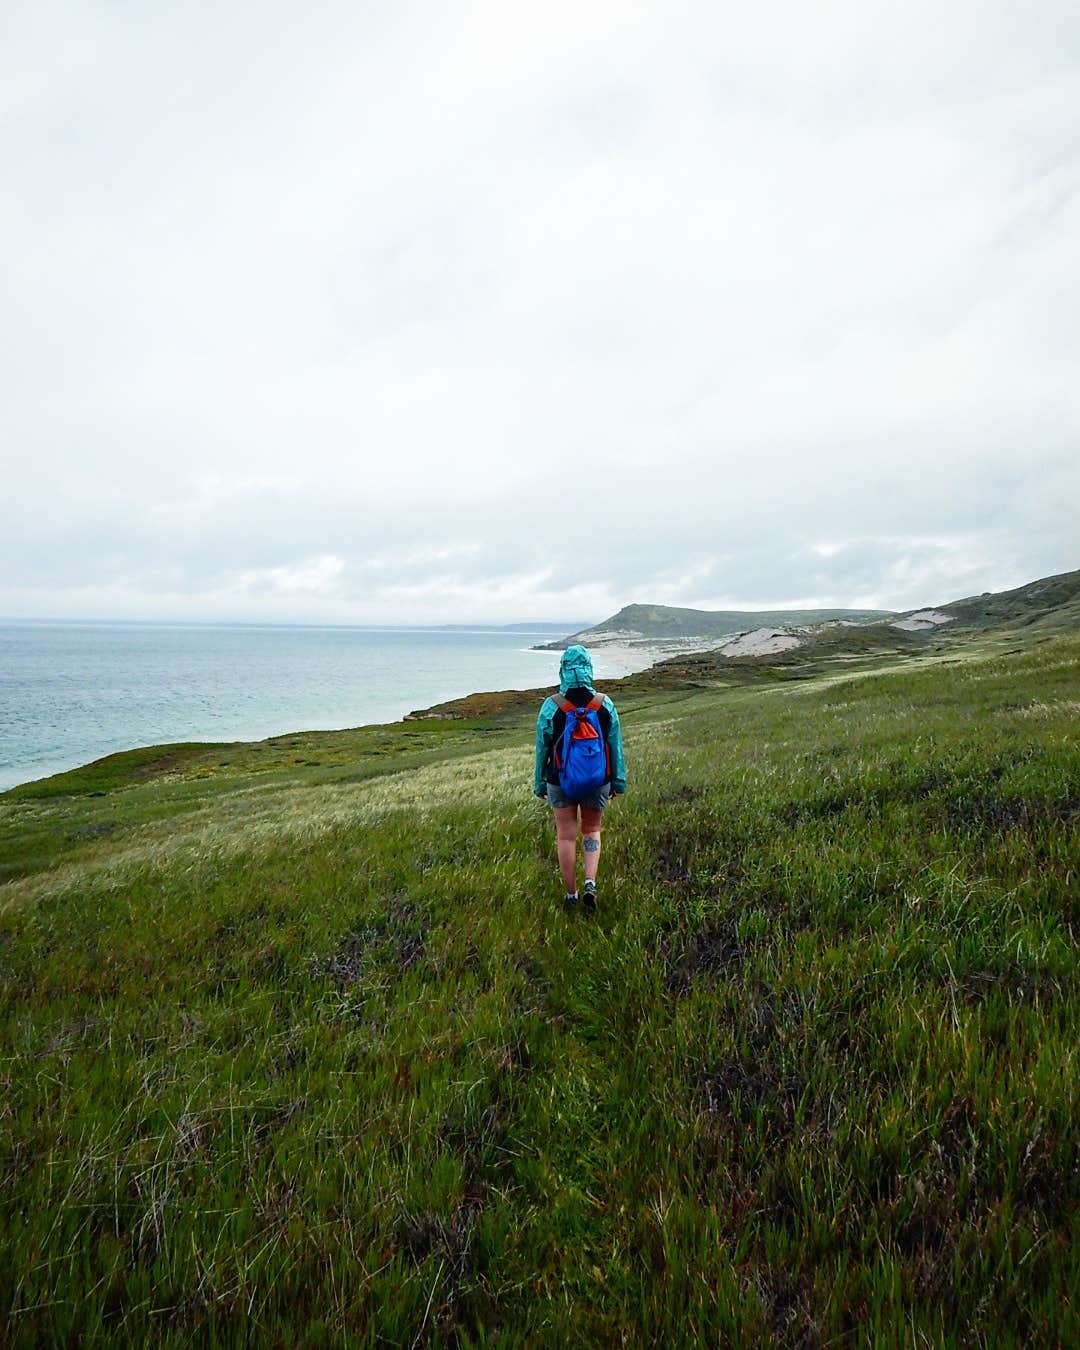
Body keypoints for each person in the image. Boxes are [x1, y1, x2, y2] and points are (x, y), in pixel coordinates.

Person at [534, 644, 626, 912]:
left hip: (559, 781)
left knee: (565, 836)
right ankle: (590, 883)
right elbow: (615, 745)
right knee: (592, 830)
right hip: (598, 780)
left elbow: (542, 748)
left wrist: (540, 783)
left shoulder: (552, 707)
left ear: (563, 670)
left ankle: (571, 895)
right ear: (589, 669)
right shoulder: (604, 704)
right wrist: (618, 781)